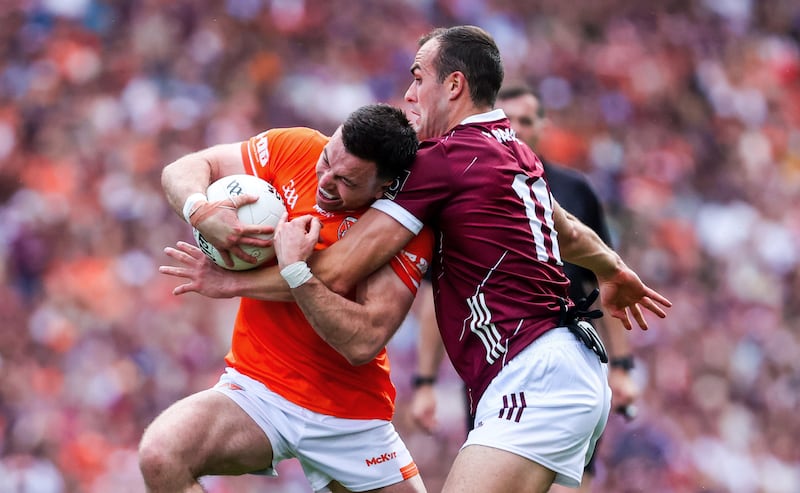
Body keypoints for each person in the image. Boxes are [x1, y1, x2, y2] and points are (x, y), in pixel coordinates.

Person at [271, 26, 671, 493]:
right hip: (562, 368)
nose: (409, 92)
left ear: (454, 85)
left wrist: (240, 276)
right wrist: (614, 268)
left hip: (534, 373)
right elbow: (570, 231)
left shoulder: (443, 160)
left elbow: (339, 270)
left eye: (419, 77)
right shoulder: (516, 151)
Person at [139, 103, 433, 493]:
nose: (325, 180)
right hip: (258, 390)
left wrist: (293, 272)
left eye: (346, 180)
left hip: (349, 417)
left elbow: (363, 341)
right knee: (161, 455)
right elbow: (184, 169)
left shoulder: (401, 226)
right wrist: (201, 211)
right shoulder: (298, 147)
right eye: (328, 160)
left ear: (382, 186)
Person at [406, 83, 641, 492]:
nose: (516, 127)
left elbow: (604, 282)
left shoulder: (573, 188)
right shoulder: (466, 181)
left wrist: (621, 368)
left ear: (542, 126)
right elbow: (434, 293)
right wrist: (425, 381)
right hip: (503, 367)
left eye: (527, 120)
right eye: (508, 118)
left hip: (548, 359)